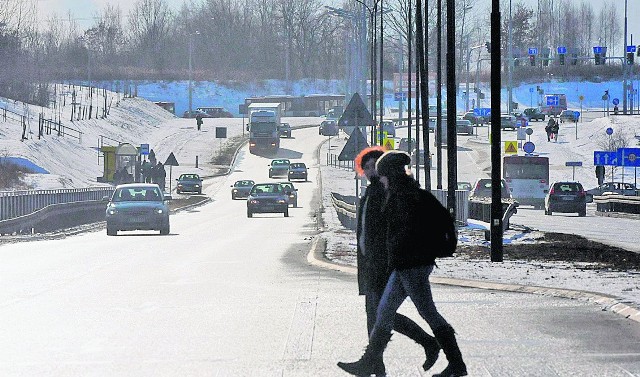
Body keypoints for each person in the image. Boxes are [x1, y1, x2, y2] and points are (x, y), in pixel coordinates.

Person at [338, 150, 467, 377]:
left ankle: (454, 362)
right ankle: (370, 362)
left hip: (412, 266)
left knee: (425, 313)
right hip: (403, 266)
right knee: (385, 314)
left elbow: (427, 227)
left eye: (383, 176)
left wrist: (432, 251)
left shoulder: (406, 197)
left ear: (391, 175)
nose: (381, 180)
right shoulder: (403, 195)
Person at [353, 146, 440, 375]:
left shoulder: (385, 193)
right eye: (367, 167)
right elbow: (364, 233)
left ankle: (426, 342)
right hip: (371, 264)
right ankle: (376, 365)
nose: (371, 170)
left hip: (385, 264)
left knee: (382, 314)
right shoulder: (371, 193)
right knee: (376, 315)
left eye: (375, 166)